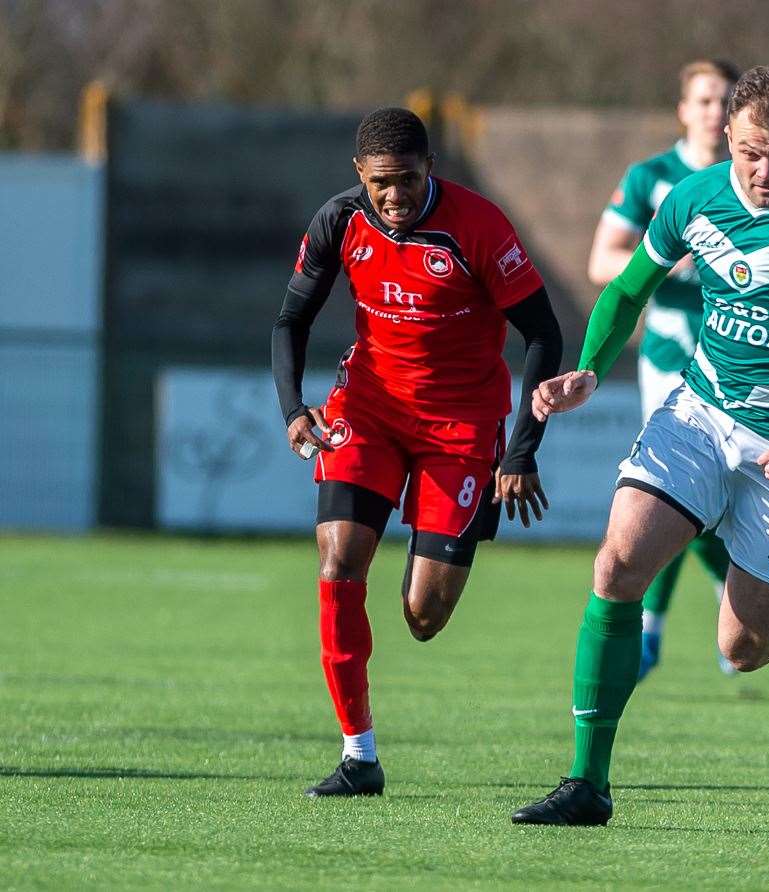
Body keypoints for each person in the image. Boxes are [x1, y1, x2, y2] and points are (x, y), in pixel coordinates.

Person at [510, 65, 769, 826]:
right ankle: (586, 784)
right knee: (616, 565)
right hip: (699, 415)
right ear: (725, 139)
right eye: (750, 154)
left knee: (741, 650)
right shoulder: (692, 198)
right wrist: (589, 371)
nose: (765, 173)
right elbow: (629, 287)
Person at [270, 107, 562, 797]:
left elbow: (543, 335)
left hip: (462, 428)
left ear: (431, 168)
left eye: (406, 179)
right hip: (366, 411)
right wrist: (292, 409)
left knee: (423, 619)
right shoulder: (339, 221)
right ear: (359, 177)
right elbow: (290, 320)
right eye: (380, 183)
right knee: (338, 555)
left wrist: (519, 450)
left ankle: (426, 532)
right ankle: (358, 755)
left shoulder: (479, 227)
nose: (393, 195)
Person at [587, 59, 739, 680]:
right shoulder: (654, 178)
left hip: (742, 366)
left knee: (723, 501)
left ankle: (742, 603)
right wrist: (669, 263)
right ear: (683, 109)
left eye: (727, 101)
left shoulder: (754, 181)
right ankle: (652, 629)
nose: (715, 111)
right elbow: (603, 261)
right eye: (704, 100)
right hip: (672, 360)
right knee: (670, 491)